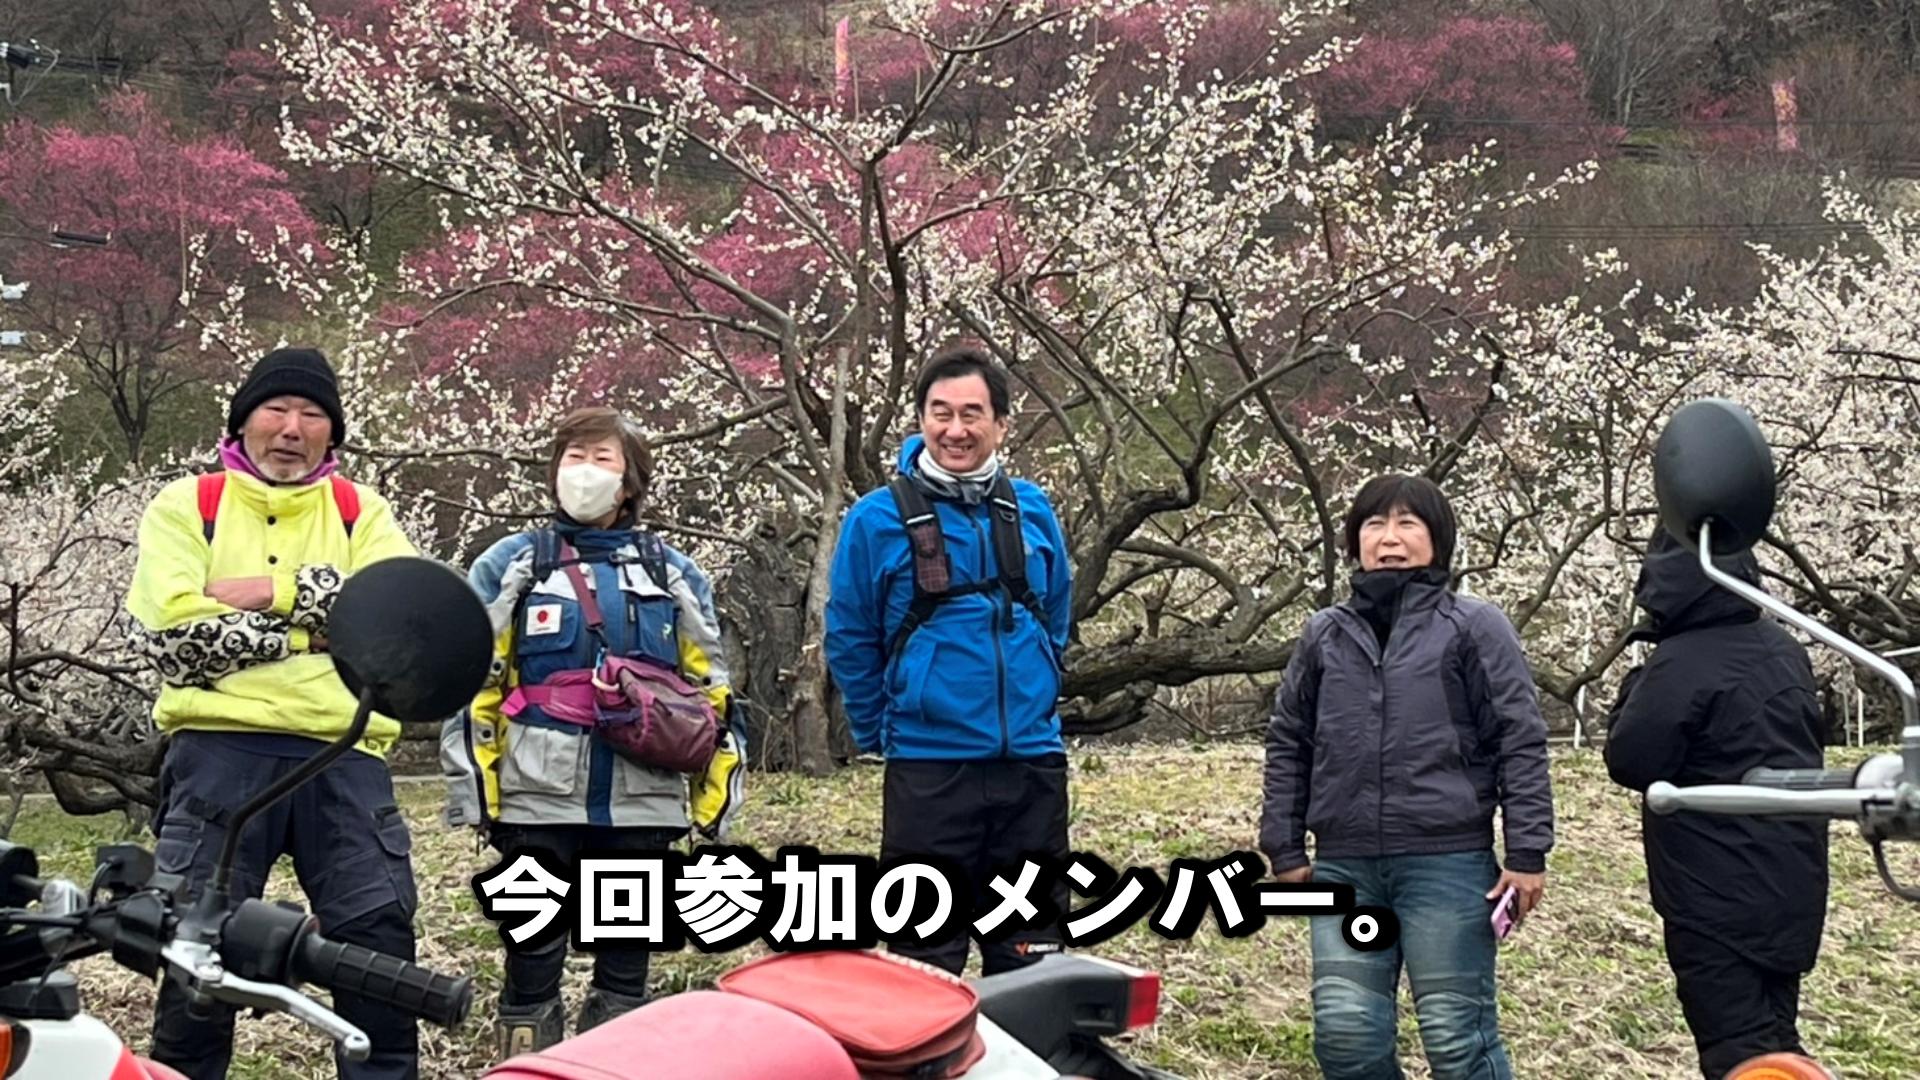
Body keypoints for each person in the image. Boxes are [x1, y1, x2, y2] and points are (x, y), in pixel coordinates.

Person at [125, 347, 423, 1080]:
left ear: (332, 434)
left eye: (312, 414)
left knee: (377, 944)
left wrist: (267, 591)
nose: (292, 428)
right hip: (218, 752)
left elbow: (397, 615)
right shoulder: (187, 506)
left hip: (344, 751)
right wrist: (313, 631)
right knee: (197, 953)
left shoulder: (361, 512)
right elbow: (174, 640)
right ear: (242, 421)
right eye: (276, 409)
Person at [441, 405, 745, 1058]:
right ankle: (525, 1065)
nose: (584, 472)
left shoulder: (671, 571)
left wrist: (716, 797)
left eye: (601, 458)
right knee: (532, 958)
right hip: (536, 794)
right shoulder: (513, 562)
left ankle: (612, 1065)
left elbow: (711, 689)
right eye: (572, 457)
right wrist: (476, 793)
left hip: (644, 796)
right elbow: (473, 683)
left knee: (626, 962)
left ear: (629, 483)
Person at [1259, 473, 1554, 1080]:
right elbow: (1290, 740)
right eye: (1374, 525)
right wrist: (1283, 847)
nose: (1388, 539)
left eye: (1406, 524)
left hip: (1446, 865)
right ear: (1354, 542)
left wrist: (1527, 852)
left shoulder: (1474, 626)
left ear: (1437, 540)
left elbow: (1519, 739)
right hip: (1345, 865)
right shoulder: (1324, 634)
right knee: (1345, 1035)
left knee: (1456, 1038)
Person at [823, 345, 1074, 976]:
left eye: (971, 414)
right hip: (928, 769)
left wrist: (1040, 691)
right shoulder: (876, 519)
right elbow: (850, 635)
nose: (955, 429)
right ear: (921, 419)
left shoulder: (1031, 509)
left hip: (1031, 767)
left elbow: (1056, 614)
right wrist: (883, 729)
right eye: (941, 413)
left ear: (1001, 425)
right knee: (923, 964)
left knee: (1033, 956)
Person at [1604, 529, 1829, 1080]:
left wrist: (1637, 682)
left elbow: (1631, 758)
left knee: (1739, 1051)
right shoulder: (1784, 649)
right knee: (1775, 1037)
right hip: (1791, 881)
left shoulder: (1682, 662)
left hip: (1712, 890)